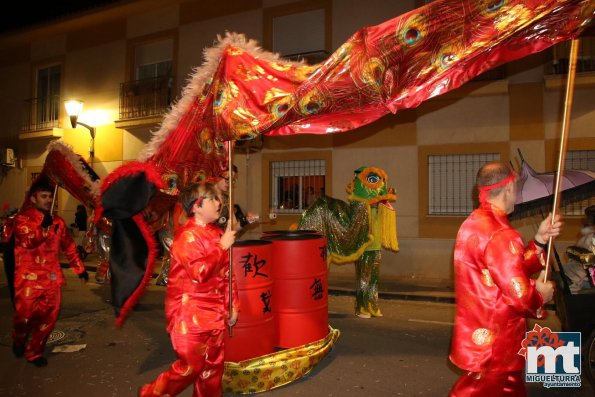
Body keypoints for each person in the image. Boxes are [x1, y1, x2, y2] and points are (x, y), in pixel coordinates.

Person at [449, 161, 561, 396]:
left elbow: (505, 269)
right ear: (509, 187)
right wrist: (540, 294)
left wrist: (539, 240)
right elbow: (519, 295)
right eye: (516, 189)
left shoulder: (474, 222)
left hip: (482, 332)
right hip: (499, 342)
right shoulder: (501, 233)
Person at [139, 182, 239, 397]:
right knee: (190, 366)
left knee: (213, 368)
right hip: (190, 315)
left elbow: (229, 275)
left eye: (218, 198)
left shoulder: (216, 233)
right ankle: (152, 394)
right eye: (212, 198)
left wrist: (233, 305)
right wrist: (222, 247)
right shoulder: (186, 236)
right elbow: (200, 272)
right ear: (196, 206)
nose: (219, 202)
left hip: (216, 314)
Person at [11, 177, 88, 367]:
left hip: (52, 280)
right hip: (27, 279)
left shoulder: (58, 222)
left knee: (48, 319)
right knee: (25, 317)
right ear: (34, 199)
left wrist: (80, 269)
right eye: (43, 196)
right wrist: (43, 227)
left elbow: (69, 246)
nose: (47, 200)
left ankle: (35, 353)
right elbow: (29, 241)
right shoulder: (22, 219)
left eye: (49, 196)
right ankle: (19, 339)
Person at [213, 165, 258, 232]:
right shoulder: (206, 197)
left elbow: (233, 228)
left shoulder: (227, 199)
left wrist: (246, 220)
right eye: (227, 178)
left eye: (232, 180)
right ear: (217, 176)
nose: (230, 183)